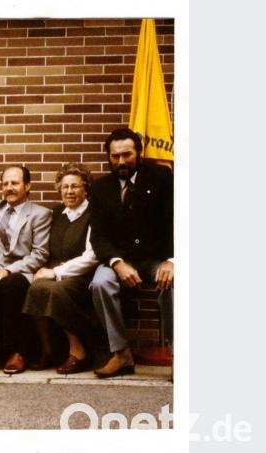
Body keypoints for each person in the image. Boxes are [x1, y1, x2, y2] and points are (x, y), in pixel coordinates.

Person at [88, 128, 174, 378]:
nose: (121, 161)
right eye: (115, 156)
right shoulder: (101, 187)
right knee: (100, 283)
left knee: (174, 284)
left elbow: (178, 220)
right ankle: (121, 353)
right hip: (120, 258)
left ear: (140, 152)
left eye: (127, 154)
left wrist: (172, 260)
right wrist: (116, 262)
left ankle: (179, 355)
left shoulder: (162, 177)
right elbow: (98, 236)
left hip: (157, 258)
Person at [0, 166, 52, 374]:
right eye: (5, 184)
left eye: (14, 183)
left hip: (22, 268)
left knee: (11, 286)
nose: (9, 188)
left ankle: (17, 352)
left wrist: (11, 269)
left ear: (27, 185)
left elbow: (40, 254)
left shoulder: (40, 215)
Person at [22, 163, 99, 374]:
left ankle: (78, 351)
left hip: (82, 276)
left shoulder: (93, 214)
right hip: (54, 273)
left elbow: (91, 256)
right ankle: (49, 351)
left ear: (85, 189)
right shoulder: (57, 213)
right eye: (65, 187)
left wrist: (56, 272)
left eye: (75, 186)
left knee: (55, 290)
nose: (69, 191)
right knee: (36, 287)